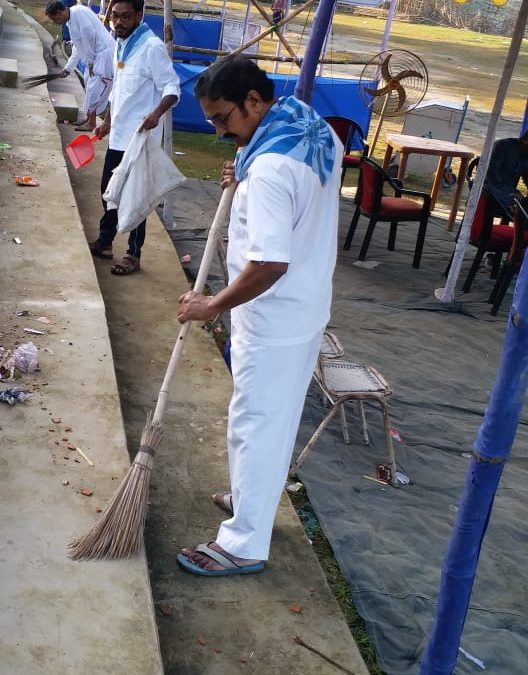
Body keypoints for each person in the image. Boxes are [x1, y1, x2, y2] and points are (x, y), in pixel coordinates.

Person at [175, 54, 342, 576]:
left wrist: (211, 305)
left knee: (255, 422)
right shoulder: (309, 126)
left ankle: (244, 543)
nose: (220, 131)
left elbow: (269, 261)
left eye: (223, 119)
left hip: (273, 315)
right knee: (275, 418)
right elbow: (288, 187)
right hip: (305, 306)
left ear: (253, 101)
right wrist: (242, 171)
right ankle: (254, 501)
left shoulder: (269, 169)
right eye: (210, 122)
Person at [88, 0, 180, 276]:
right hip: (119, 135)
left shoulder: (152, 47)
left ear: (138, 16)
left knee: (134, 198)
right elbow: (120, 91)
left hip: (141, 137)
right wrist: (107, 121)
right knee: (109, 190)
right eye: (115, 16)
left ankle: (133, 254)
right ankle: (105, 242)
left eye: (125, 17)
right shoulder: (121, 43)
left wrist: (156, 114)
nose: (118, 22)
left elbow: (172, 88)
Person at [46, 1, 116, 131]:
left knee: (96, 88)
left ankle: (92, 122)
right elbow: (77, 48)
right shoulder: (71, 21)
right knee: (89, 85)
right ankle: (89, 118)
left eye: (55, 19)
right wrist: (67, 68)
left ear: (59, 13)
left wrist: (90, 62)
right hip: (94, 57)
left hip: (103, 55)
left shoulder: (78, 13)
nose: (56, 22)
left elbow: (89, 37)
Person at [483, 130, 528, 218]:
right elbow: (490, 175)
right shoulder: (503, 146)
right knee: (520, 210)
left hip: (508, 193)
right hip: (489, 191)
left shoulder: (526, 155)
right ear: (525, 140)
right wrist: (509, 195)